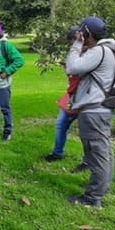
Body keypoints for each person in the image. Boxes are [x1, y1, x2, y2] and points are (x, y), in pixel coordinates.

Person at [64, 16, 115, 208]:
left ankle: (93, 197)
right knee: (103, 151)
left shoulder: (100, 51)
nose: (80, 35)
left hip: (95, 110)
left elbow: (72, 67)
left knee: (98, 152)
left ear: (87, 33)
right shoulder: (109, 48)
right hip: (100, 108)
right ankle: (102, 187)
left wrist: (75, 45)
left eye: (82, 32)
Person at [44, 26, 82, 162]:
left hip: (83, 96)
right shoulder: (74, 53)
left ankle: (89, 161)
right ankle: (57, 153)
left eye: (72, 40)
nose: (71, 44)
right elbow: (72, 72)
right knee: (60, 124)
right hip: (71, 94)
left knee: (86, 131)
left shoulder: (89, 54)